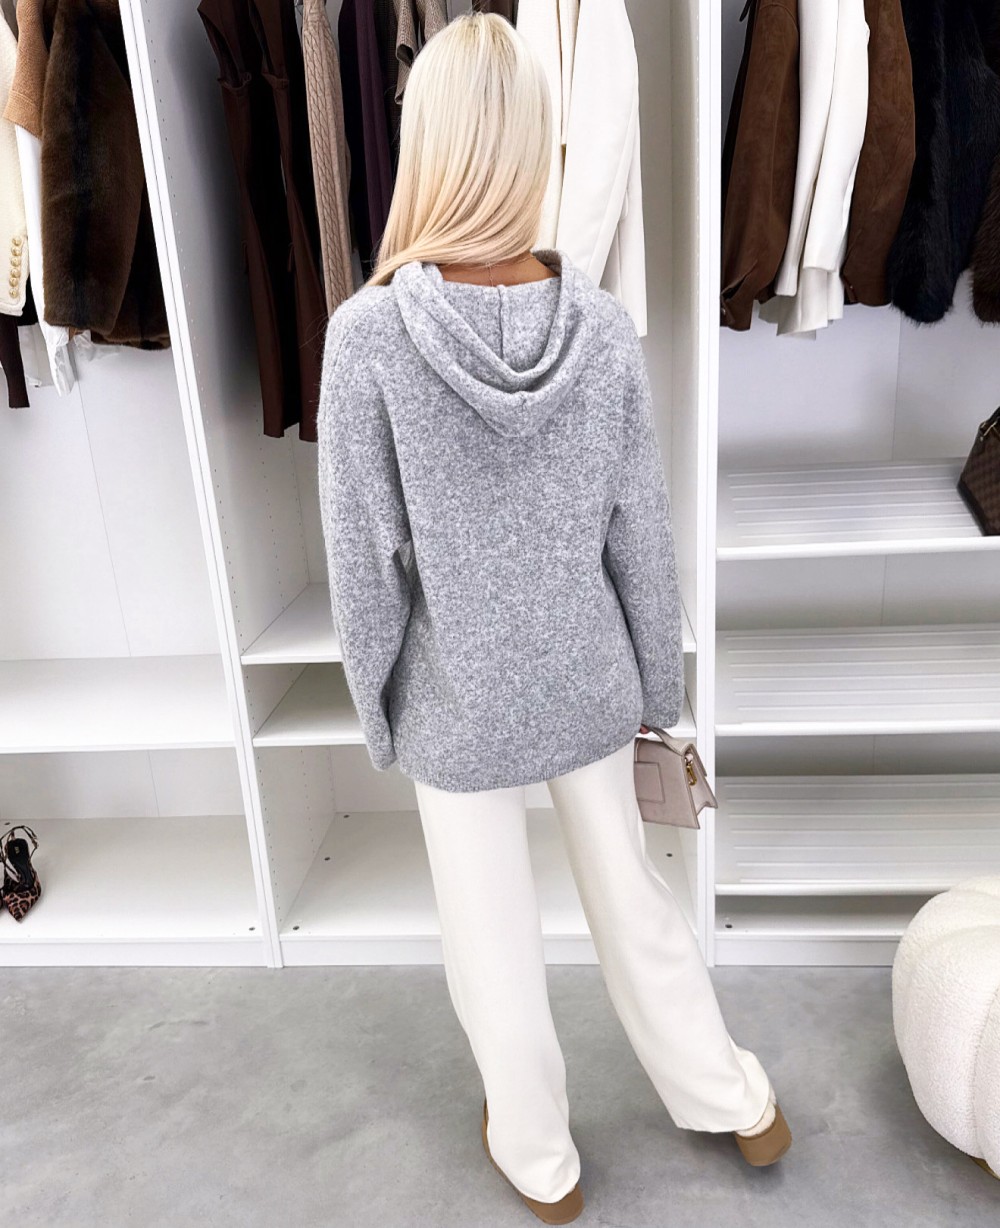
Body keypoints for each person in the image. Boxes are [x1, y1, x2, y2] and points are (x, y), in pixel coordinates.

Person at [316, 11, 791, 1223]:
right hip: (586, 675)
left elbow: (366, 561)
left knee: (490, 935)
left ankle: (542, 1160)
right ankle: (734, 1099)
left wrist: (378, 709)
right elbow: (640, 532)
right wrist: (662, 698)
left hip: (458, 695)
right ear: (536, 142)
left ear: (426, 143)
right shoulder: (601, 326)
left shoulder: (367, 337)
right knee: (632, 896)